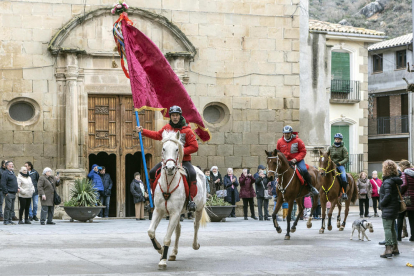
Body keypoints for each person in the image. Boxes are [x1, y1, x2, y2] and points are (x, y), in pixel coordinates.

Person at [136, 105, 198, 212]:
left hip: (183, 161)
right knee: (152, 172)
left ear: (180, 116)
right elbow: (157, 135)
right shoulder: (167, 128)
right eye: (173, 115)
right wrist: (143, 131)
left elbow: (194, 147)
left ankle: (190, 200)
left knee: (192, 173)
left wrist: (180, 152)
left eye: (177, 115)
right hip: (168, 161)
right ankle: (153, 197)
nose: (175, 117)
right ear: (170, 116)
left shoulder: (187, 130)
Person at [276, 125, 319, 196]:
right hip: (285, 162)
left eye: (288, 133)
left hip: (297, 160)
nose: (286, 135)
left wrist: (295, 159)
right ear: (283, 133)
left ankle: (310, 187)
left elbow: (303, 151)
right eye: (285, 133)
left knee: (304, 170)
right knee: (277, 171)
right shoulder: (279, 141)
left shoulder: (298, 141)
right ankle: (279, 192)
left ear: (291, 133)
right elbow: (278, 152)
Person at [379, 160, 402, 258]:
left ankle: (388, 248)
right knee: (392, 228)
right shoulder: (395, 180)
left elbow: (387, 195)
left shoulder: (388, 181)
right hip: (394, 206)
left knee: (387, 228)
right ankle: (395, 248)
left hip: (388, 207)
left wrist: (381, 203)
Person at [327, 133, 349, 200]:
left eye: (338, 139)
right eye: (336, 139)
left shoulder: (344, 148)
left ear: (341, 140)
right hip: (331, 165)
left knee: (343, 177)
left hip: (340, 166)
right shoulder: (330, 148)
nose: (337, 140)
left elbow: (346, 158)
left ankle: (344, 192)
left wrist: (339, 163)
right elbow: (327, 156)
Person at [399, 160, 414, 242]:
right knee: (412, 218)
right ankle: (413, 236)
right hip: (413, 198)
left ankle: (398, 236)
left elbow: (404, 185)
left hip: (406, 198)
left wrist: (399, 192)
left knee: (400, 216)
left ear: (403, 166)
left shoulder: (404, 174)